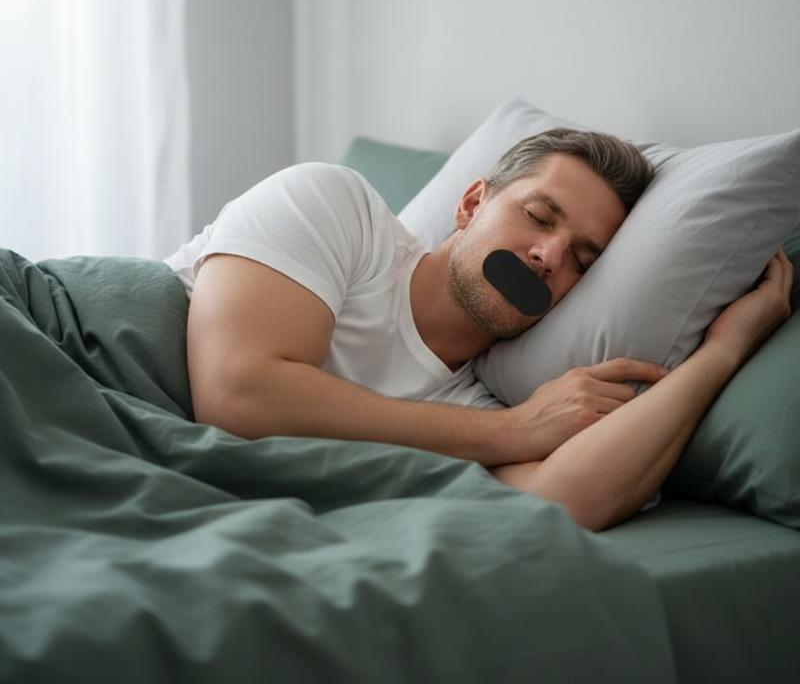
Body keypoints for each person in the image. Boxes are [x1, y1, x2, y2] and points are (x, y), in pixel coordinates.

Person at [163, 128, 793, 532]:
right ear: (470, 204)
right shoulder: (335, 207)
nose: (548, 255)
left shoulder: (478, 404)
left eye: (583, 260)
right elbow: (237, 394)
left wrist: (724, 351)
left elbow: (566, 504)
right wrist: (511, 432)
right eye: (538, 216)